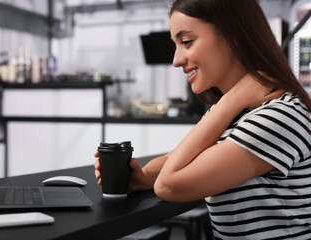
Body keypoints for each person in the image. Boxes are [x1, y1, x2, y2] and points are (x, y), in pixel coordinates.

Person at [94, 0, 311, 239]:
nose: (176, 60)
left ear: (233, 36)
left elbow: (168, 185)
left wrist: (230, 101)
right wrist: (142, 178)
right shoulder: (232, 111)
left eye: (186, 42)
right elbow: (174, 160)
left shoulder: (280, 115)